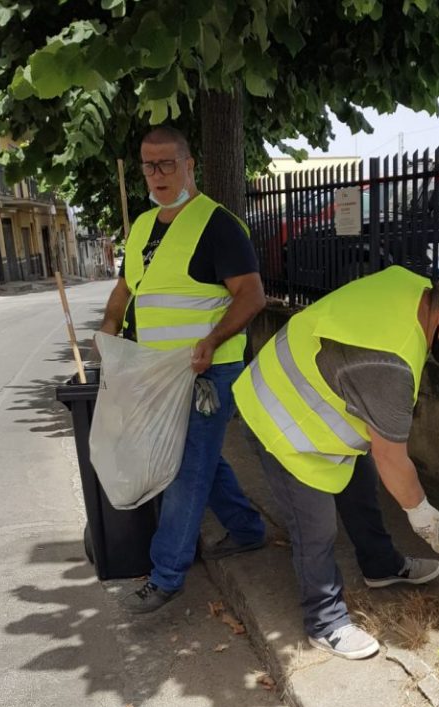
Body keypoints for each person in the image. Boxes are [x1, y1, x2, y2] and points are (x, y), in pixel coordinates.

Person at [233, 262, 439, 659]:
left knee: (360, 481)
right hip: (280, 420)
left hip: (303, 387)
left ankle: (380, 564)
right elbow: (393, 460)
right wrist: (419, 509)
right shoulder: (389, 365)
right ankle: (325, 620)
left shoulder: (412, 285)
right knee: (315, 526)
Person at [100, 126, 266, 613]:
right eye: (149, 166)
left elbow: (252, 296)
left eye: (168, 164)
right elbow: (127, 287)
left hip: (207, 372)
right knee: (202, 460)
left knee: (185, 468)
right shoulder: (144, 226)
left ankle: (167, 574)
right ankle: (248, 530)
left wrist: (213, 341)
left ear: (190, 165)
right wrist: (110, 324)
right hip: (160, 372)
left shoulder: (218, 225)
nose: (158, 175)